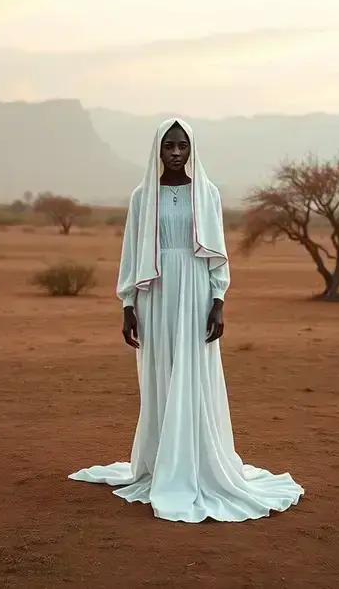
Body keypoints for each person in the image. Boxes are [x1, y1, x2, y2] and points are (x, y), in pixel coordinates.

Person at [68, 118, 304, 523]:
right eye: (168, 146)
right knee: (161, 374)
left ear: (191, 149)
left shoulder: (206, 193)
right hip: (155, 294)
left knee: (193, 374)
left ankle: (197, 464)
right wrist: (127, 305)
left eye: (182, 146)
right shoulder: (143, 197)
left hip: (195, 292)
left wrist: (218, 301)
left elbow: (217, 254)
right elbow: (130, 253)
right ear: (157, 151)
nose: (176, 153)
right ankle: (163, 463)